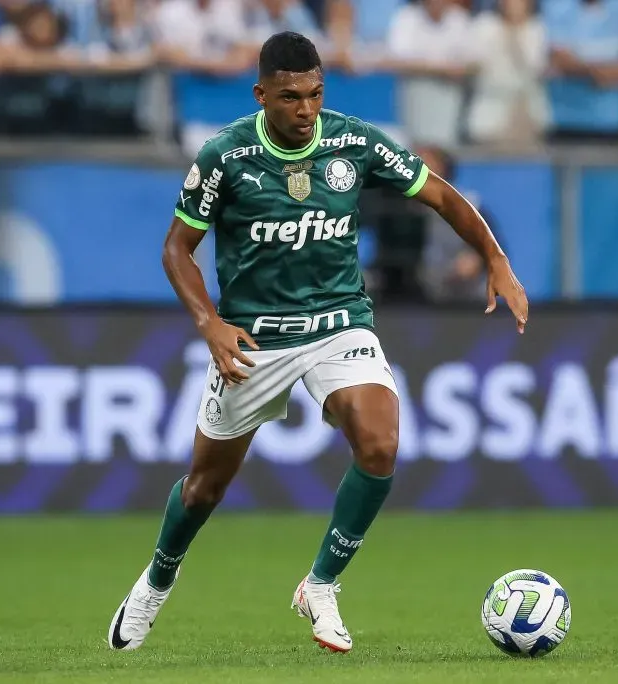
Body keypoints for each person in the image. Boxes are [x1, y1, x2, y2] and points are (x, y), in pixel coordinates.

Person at [107, 31, 529, 655]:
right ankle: (156, 581)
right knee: (204, 488)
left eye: (314, 94)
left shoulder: (353, 141)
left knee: (380, 443)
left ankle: (321, 584)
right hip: (255, 338)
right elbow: (177, 249)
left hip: (339, 322)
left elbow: (439, 194)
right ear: (261, 95)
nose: (305, 109)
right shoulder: (225, 157)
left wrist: (495, 258)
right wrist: (210, 324)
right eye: (290, 97)